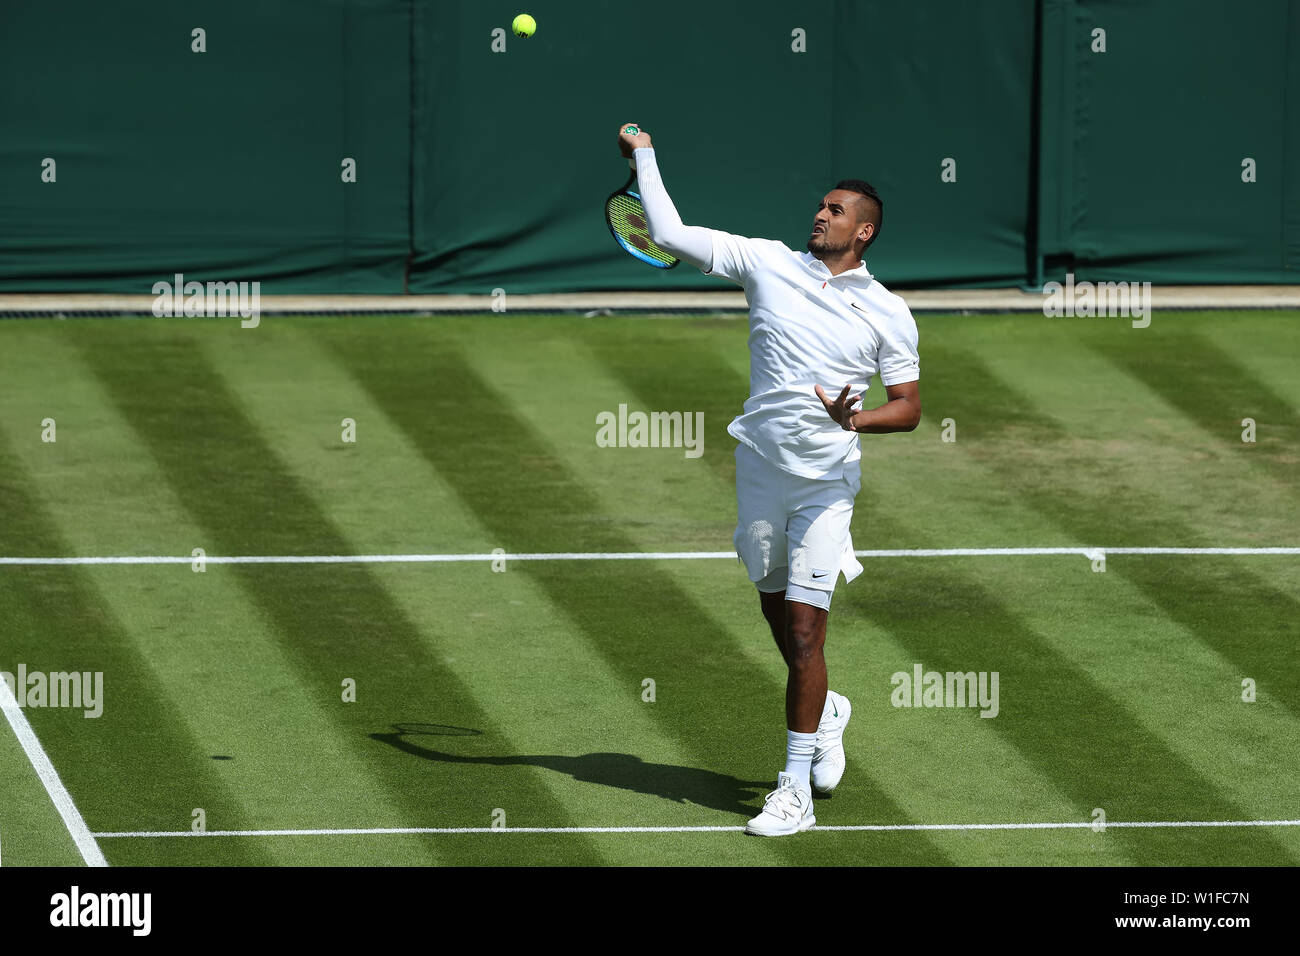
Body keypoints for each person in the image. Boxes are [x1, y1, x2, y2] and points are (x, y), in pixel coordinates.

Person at [617, 123, 923, 836]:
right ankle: (830, 709)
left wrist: (857, 423)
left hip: (825, 484)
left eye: (837, 210)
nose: (821, 215)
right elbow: (666, 229)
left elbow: (908, 408)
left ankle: (794, 791)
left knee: (806, 632)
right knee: (773, 610)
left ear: (865, 231)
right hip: (759, 467)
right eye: (820, 206)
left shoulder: (888, 312)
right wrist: (646, 156)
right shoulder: (764, 262)